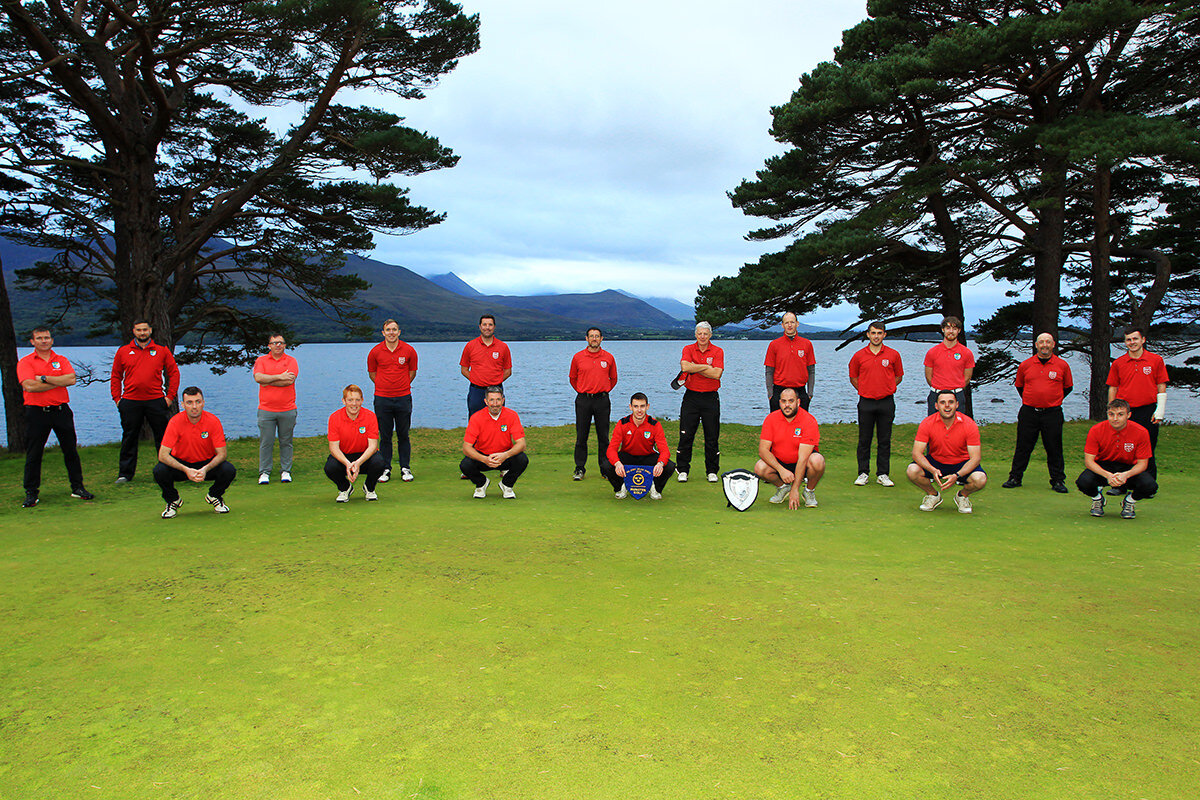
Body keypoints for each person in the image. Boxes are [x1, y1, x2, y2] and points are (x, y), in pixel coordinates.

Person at [17, 326, 94, 507]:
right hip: (37, 412)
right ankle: (31, 492)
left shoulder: (61, 359)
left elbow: (71, 380)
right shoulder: (26, 362)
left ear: (52, 340)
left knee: (71, 451)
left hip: (61, 411)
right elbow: (29, 386)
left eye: (47, 338)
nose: (44, 341)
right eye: (40, 338)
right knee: (34, 454)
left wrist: (43, 378)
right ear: (32, 341)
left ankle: (78, 488)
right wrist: (58, 381)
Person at [110, 320, 179, 482]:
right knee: (129, 437)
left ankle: (167, 471)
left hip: (156, 400)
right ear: (133, 331)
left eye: (145, 330)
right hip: (130, 401)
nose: (142, 333)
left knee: (163, 438)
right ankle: (125, 474)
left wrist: (169, 397)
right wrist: (117, 399)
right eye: (139, 330)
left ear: (151, 330)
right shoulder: (123, 351)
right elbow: (115, 376)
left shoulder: (161, 351)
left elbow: (174, 373)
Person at [1002, 332, 1073, 492]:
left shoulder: (1062, 365)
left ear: (1053, 344)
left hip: (1052, 413)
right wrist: (1034, 400)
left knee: (1054, 447)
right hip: (1029, 412)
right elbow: (1020, 386)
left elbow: (1068, 387)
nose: (1045, 345)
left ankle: (1058, 481)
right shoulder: (1026, 365)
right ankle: (1015, 477)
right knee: (1023, 446)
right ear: (1036, 345)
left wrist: (1050, 400)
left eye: (1048, 342)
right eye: (1041, 342)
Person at [153, 386, 236, 518]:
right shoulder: (175, 422)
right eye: (189, 402)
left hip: (206, 464)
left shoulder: (213, 421)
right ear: (183, 404)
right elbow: (162, 455)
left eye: (198, 401)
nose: (194, 406)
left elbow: (222, 454)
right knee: (159, 471)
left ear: (203, 403)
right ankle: (172, 500)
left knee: (228, 469)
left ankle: (214, 495)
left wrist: (205, 469)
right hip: (181, 465)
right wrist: (186, 469)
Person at [907, 389, 987, 513]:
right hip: (936, 462)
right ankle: (933, 495)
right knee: (912, 471)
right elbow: (916, 453)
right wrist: (932, 470)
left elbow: (975, 458)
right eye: (943, 402)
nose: (947, 406)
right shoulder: (927, 423)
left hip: (961, 463)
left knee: (980, 479)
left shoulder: (969, 424)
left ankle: (962, 496)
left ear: (957, 404)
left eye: (951, 402)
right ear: (936, 405)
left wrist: (957, 475)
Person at [1077, 399, 1157, 519]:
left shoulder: (1141, 432)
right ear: (1107, 414)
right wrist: (1108, 475)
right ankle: (1097, 499)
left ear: (1128, 415)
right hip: (1104, 466)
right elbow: (1089, 461)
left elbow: (1143, 464)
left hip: (1128, 468)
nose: (1115, 418)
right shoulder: (1096, 430)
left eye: (1120, 414)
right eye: (1111, 414)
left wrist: (1126, 475)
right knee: (1083, 482)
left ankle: (1129, 501)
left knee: (1150, 486)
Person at [1106, 326, 1168, 480]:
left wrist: (1160, 411)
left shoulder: (1156, 360)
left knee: (1147, 448)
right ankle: (1120, 483)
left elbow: (1161, 385)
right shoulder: (1118, 363)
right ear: (1125, 342)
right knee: (1121, 448)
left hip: (1148, 411)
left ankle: (1148, 485)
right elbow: (1113, 388)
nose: (1132, 342)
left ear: (1143, 340)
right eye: (1128, 339)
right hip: (1124, 412)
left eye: (1135, 339)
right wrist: (1112, 412)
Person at [848, 321, 904, 487]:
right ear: (868, 334)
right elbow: (853, 377)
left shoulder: (893, 354)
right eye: (873, 333)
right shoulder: (859, 355)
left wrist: (887, 388)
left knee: (884, 439)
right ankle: (863, 472)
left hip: (886, 401)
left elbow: (899, 376)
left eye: (879, 333)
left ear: (884, 335)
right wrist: (866, 389)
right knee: (864, 439)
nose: (876, 336)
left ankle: (883, 474)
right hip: (866, 402)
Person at [753, 387, 825, 509]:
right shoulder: (771, 419)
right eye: (784, 401)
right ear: (779, 402)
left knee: (818, 461)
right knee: (760, 467)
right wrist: (781, 470)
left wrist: (795, 489)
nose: (787, 405)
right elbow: (763, 450)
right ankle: (783, 487)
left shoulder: (809, 420)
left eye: (791, 401)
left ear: (798, 402)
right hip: (780, 462)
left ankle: (809, 491)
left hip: (802, 462)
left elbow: (803, 459)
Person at [367, 319, 418, 483]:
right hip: (382, 399)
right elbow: (373, 374)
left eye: (394, 329)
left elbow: (412, 372)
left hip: (403, 398)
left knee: (404, 435)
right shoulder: (375, 352)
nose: (391, 332)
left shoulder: (409, 350)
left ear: (399, 332)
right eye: (388, 330)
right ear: (383, 333)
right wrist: (385, 386)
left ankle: (405, 468)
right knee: (385, 436)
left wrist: (400, 386)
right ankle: (385, 468)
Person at [676, 321, 723, 483]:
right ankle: (682, 469)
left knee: (712, 436)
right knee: (686, 434)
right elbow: (685, 367)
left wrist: (696, 366)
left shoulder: (718, 351)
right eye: (699, 334)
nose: (702, 337)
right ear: (695, 335)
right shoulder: (688, 349)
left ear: (710, 335)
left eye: (705, 334)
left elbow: (717, 374)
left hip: (710, 398)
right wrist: (706, 367)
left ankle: (711, 470)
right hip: (691, 397)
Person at [460, 385, 528, 499]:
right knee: (465, 465)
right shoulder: (476, 418)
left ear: (503, 400)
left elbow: (522, 444)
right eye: (491, 400)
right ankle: (481, 484)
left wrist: (505, 455)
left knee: (522, 459)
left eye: (498, 400)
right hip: (483, 457)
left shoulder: (512, 415)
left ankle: (507, 485)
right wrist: (484, 459)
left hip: (504, 456)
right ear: (486, 401)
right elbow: (466, 448)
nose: (495, 404)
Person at [569, 326, 618, 481]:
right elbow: (572, 378)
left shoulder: (608, 357)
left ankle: (605, 468)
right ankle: (579, 468)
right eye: (591, 336)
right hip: (583, 400)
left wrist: (603, 390)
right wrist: (583, 390)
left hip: (602, 400)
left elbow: (614, 378)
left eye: (597, 336)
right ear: (586, 339)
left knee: (603, 436)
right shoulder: (578, 357)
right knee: (581, 436)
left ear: (601, 339)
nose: (594, 339)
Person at [325, 384, 387, 503]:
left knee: (379, 463)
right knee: (330, 467)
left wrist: (358, 463)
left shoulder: (370, 416)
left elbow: (373, 446)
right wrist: (348, 464)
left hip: (364, 456)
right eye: (350, 400)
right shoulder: (334, 417)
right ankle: (345, 488)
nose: (354, 404)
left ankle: (369, 488)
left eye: (357, 400)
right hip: (345, 457)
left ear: (362, 400)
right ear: (344, 401)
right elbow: (333, 448)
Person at [607, 392, 674, 499]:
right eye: (636, 406)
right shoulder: (622, 423)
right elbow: (611, 449)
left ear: (647, 407)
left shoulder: (655, 425)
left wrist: (660, 464)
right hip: (627, 456)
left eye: (642, 406)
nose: (639, 410)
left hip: (648, 456)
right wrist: (617, 463)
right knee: (606, 465)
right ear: (630, 407)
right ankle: (620, 488)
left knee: (669, 466)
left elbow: (665, 450)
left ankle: (655, 489)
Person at [253, 332, 299, 485]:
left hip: (288, 409)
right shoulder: (261, 360)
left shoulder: (291, 361)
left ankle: (286, 471)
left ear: (285, 345)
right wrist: (279, 376)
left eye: (281, 342)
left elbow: (289, 381)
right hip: (266, 409)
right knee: (266, 442)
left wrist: (268, 379)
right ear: (269, 346)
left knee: (286, 441)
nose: (278, 345)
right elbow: (258, 378)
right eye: (274, 343)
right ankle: (264, 472)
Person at [460, 314, 512, 419]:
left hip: (496, 390)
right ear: (480, 326)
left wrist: (495, 382)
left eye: (490, 325)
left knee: (498, 420)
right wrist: (476, 380)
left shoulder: (503, 347)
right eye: (484, 325)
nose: (487, 328)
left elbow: (508, 371)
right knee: (475, 420)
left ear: (494, 327)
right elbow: (464, 369)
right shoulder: (470, 346)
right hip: (476, 391)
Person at [764, 312, 816, 412]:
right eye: (787, 322)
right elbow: (769, 371)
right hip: (779, 390)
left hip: (800, 390)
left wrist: (810, 394)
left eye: (792, 322)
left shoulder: (807, 344)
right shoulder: (774, 344)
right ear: (782, 325)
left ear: (797, 324)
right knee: (778, 424)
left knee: (800, 425)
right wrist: (770, 394)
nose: (790, 325)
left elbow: (811, 371)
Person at [924, 316, 975, 417]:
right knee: (934, 428)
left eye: (954, 328)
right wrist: (941, 389)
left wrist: (954, 389)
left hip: (957, 396)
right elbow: (928, 376)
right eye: (948, 328)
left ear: (959, 331)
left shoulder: (966, 353)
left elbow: (967, 377)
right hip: (936, 395)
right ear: (943, 330)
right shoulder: (932, 352)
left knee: (957, 428)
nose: (951, 331)